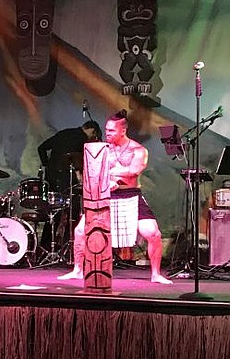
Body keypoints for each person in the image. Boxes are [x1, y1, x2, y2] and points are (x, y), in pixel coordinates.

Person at [58, 110, 173, 284]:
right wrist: (105, 179)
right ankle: (77, 270)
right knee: (80, 231)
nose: (107, 133)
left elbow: (133, 171)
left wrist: (113, 178)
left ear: (122, 131)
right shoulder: (102, 149)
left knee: (152, 233)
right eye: (107, 129)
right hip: (106, 195)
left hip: (130, 195)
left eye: (111, 130)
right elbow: (94, 170)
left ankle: (156, 274)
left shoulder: (138, 150)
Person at [38, 120, 102, 193]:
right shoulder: (83, 139)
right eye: (93, 136)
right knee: (71, 199)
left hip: (51, 174)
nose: (91, 138)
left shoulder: (63, 133)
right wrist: (79, 174)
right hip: (67, 177)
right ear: (92, 130)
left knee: (51, 200)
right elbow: (76, 159)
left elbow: (41, 148)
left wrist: (46, 165)